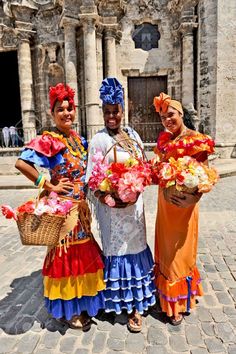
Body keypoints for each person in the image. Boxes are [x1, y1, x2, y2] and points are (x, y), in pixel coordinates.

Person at [15, 83, 105, 330]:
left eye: (69, 108)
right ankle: (69, 309)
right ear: (52, 114)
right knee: (67, 256)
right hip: (64, 211)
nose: (66, 113)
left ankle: (84, 302)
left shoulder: (78, 139)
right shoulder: (49, 139)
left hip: (81, 210)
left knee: (84, 254)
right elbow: (22, 164)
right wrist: (48, 184)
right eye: (60, 109)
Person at [86, 77, 156, 332]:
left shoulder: (134, 135)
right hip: (112, 214)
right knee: (117, 252)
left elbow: (143, 168)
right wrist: (109, 198)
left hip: (135, 210)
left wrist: (136, 188)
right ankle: (123, 306)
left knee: (137, 250)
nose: (112, 116)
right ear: (103, 112)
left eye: (116, 111)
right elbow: (92, 181)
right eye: (107, 112)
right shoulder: (98, 141)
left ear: (122, 110)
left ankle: (137, 305)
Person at [153, 93, 215, 325]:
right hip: (164, 206)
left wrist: (194, 199)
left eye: (171, 115)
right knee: (167, 253)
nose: (167, 120)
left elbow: (205, 175)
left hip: (185, 209)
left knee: (180, 253)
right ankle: (165, 296)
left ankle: (177, 304)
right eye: (162, 117)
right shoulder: (163, 141)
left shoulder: (197, 140)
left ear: (181, 114)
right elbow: (159, 169)